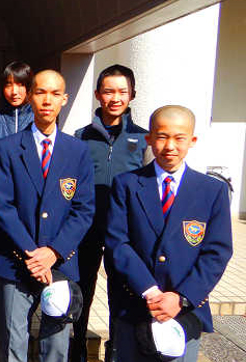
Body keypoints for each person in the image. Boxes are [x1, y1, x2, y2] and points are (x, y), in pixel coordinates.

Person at [105, 105, 232, 362]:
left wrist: (181, 297)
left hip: (184, 311)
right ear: (149, 139)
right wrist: (150, 290)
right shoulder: (127, 184)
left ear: (192, 140)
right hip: (136, 304)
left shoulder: (211, 191)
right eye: (162, 137)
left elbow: (217, 252)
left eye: (179, 138)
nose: (170, 146)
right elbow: (118, 242)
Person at [0, 70, 95, 362]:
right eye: (40, 93)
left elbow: (84, 209)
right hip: (16, 262)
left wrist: (53, 252)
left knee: (56, 344)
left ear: (64, 99)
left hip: (60, 262)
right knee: (13, 342)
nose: (47, 100)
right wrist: (33, 253)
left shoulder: (78, 151)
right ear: (29, 97)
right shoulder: (7, 148)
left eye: (54, 94)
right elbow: (2, 206)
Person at [71, 64, 150, 362]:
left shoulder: (144, 139)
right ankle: (77, 346)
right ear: (97, 94)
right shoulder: (81, 136)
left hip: (125, 233)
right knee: (82, 289)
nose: (115, 98)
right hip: (87, 228)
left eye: (122, 92)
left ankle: (116, 349)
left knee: (122, 291)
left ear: (132, 95)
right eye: (108, 91)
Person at [0, 61, 34, 321]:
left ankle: (25, 321)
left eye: (21, 85)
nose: (14, 91)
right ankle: (1, 322)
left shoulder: (36, 119)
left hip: (30, 208)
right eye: (9, 85)